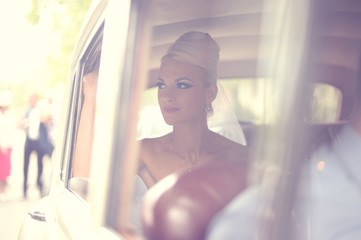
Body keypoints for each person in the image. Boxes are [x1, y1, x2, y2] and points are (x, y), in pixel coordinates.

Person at [137, 31, 251, 238]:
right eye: (162, 84)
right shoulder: (142, 152)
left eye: (182, 85)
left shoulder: (242, 157)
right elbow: (84, 185)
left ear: (210, 94)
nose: (167, 96)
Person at [22, 93, 53, 198]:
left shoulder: (41, 111)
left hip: (38, 142)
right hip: (29, 141)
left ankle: (40, 187)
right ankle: (24, 190)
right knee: (26, 166)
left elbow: (48, 121)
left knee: (40, 165)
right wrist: (26, 123)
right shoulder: (27, 111)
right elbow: (22, 124)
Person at [0, 90, 15, 201]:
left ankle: (4, 189)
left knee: (6, 169)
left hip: (8, 145)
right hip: (2, 146)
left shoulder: (9, 115)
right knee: (2, 170)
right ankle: (2, 191)